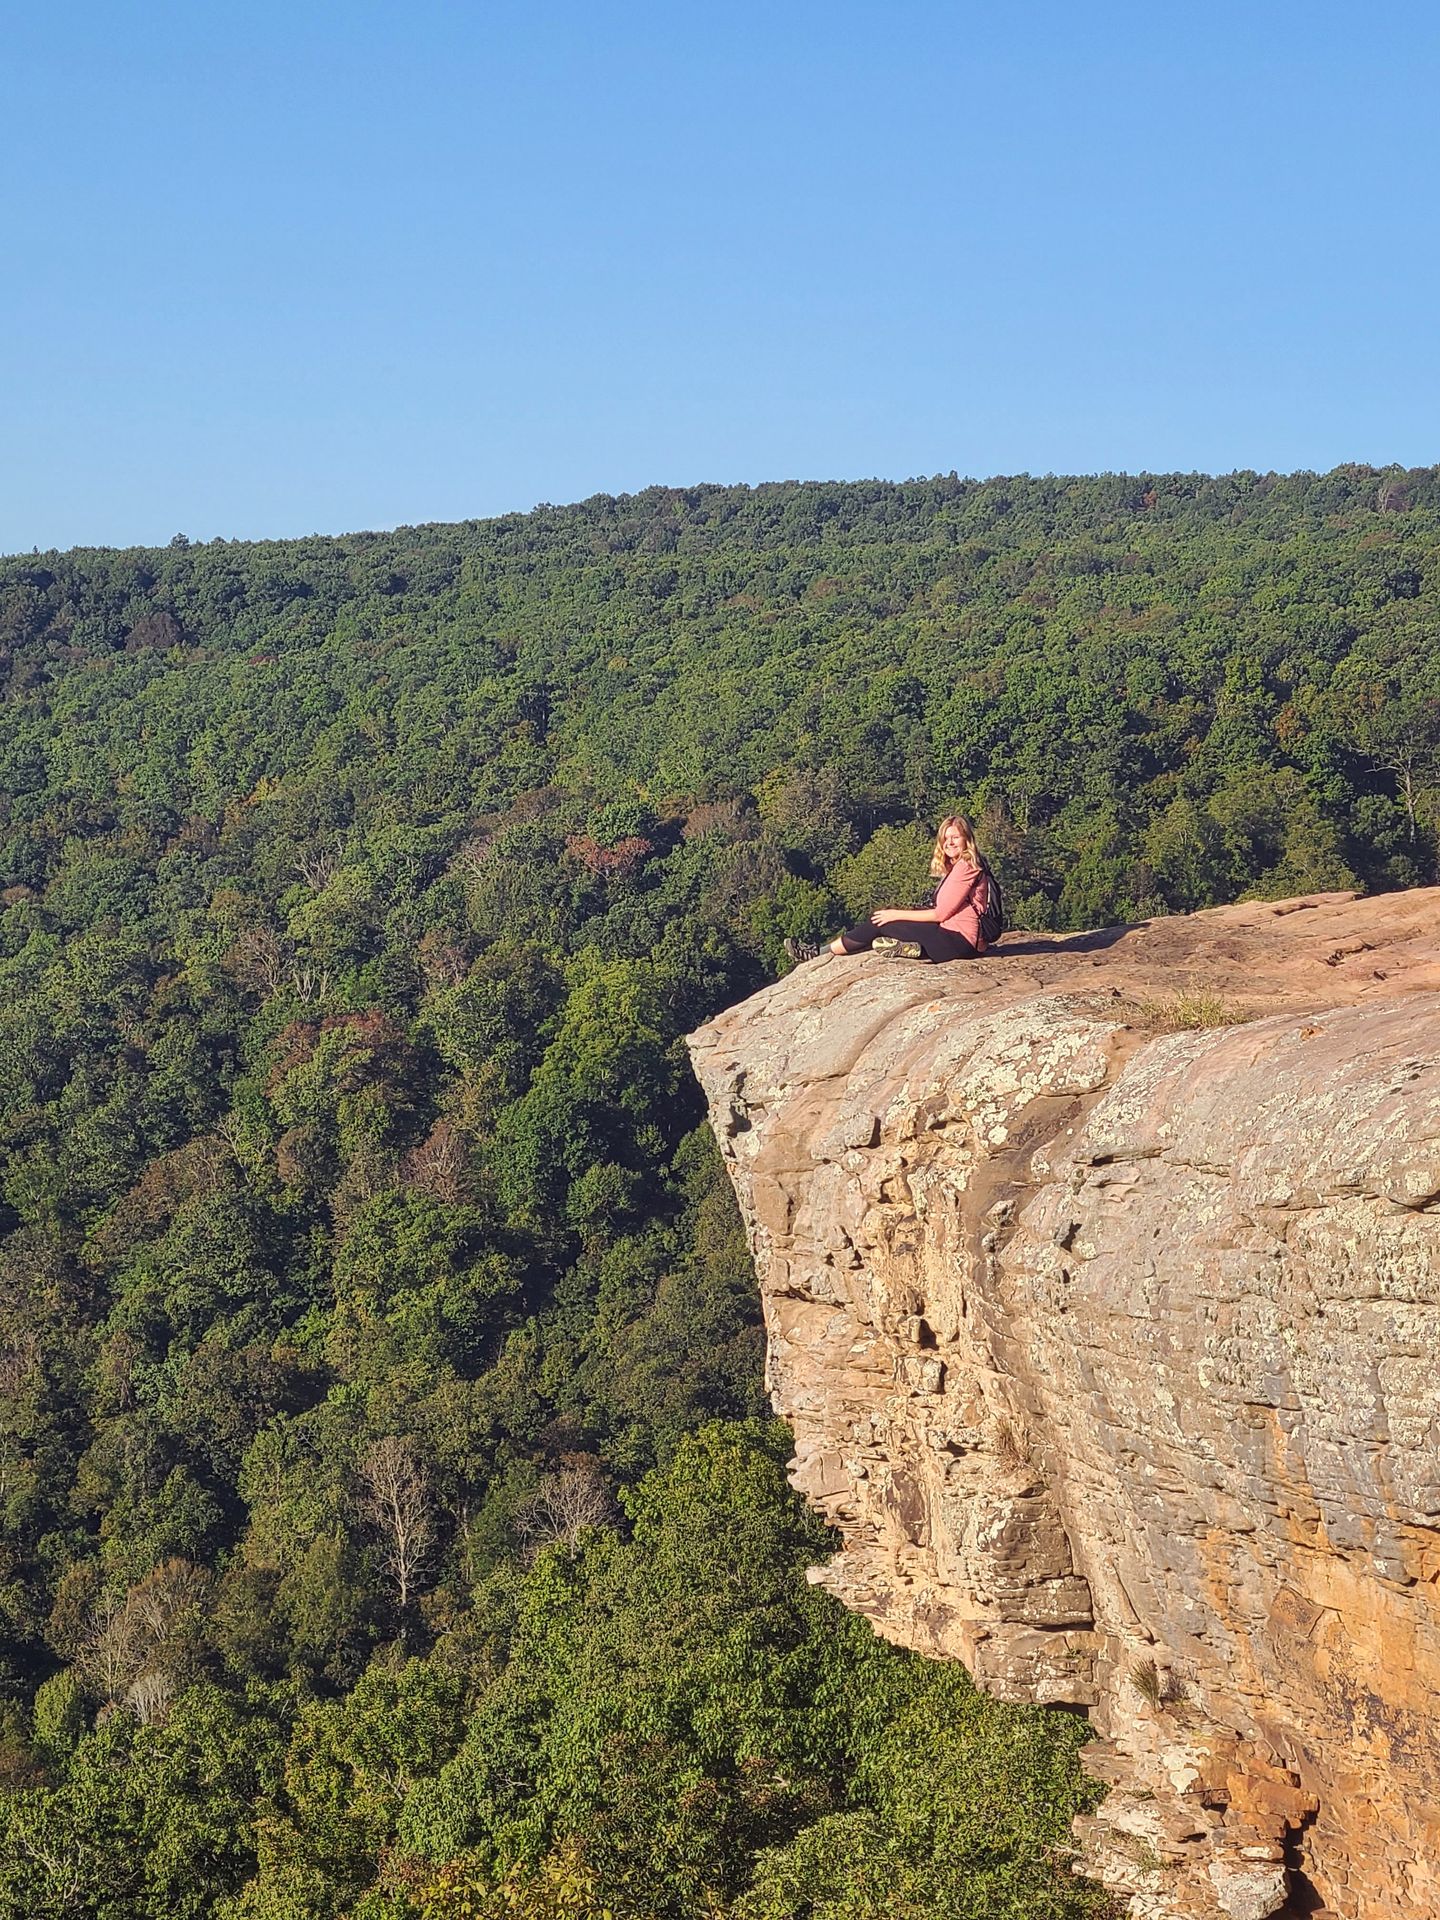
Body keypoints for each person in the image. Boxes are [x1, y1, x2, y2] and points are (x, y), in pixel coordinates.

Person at [787, 814, 992, 965]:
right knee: (887, 918)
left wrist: (894, 914)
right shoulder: (962, 865)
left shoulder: (966, 866)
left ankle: (817, 953)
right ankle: (914, 949)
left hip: (958, 942)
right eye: (945, 839)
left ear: (967, 839)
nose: (949, 843)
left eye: (955, 837)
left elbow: (940, 913)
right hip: (956, 939)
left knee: (880, 920)